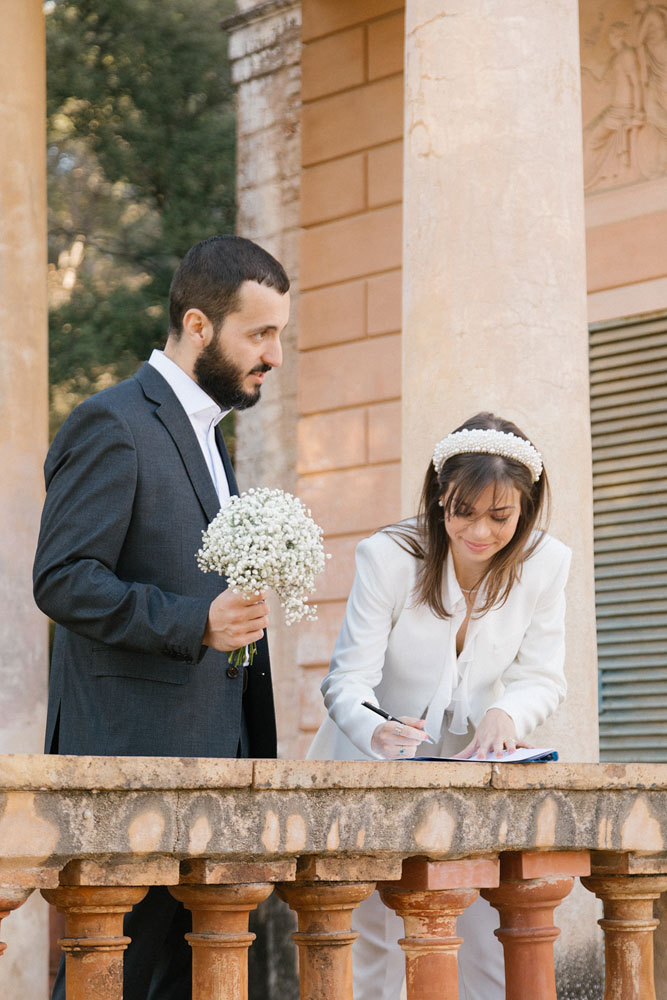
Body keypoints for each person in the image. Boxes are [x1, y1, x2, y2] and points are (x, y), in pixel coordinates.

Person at [33, 234, 291, 1000]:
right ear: (199, 324)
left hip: (217, 770)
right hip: (131, 769)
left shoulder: (211, 439)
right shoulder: (111, 422)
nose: (274, 355)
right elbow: (63, 579)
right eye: (260, 333)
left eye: (280, 334)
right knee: (114, 983)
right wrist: (195, 623)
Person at [308, 412, 571, 1000]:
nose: (480, 530)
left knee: (482, 930)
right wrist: (377, 731)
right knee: (371, 932)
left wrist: (510, 714)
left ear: (525, 508)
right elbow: (347, 680)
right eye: (463, 511)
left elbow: (543, 677)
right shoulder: (388, 557)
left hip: (472, 770)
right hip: (369, 765)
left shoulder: (547, 564)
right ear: (438, 499)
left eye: (501, 516)